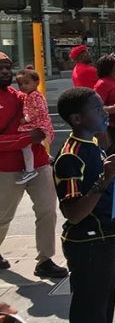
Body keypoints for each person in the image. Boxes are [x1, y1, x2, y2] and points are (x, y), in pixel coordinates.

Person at [53, 87, 115, 323]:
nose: (104, 112)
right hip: (88, 245)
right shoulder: (70, 156)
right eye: (97, 109)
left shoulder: (93, 145)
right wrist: (104, 180)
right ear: (77, 119)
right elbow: (74, 213)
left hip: (104, 241)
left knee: (101, 320)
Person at [0, 52, 68, 279]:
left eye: (7, 67)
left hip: (38, 163)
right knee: (3, 216)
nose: (5, 71)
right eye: (0, 68)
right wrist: (27, 138)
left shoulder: (22, 95)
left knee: (47, 210)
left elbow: (39, 116)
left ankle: (45, 260)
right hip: (7, 168)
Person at [15, 67, 55, 186]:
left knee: (25, 146)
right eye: (20, 84)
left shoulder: (33, 96)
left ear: (36, 82)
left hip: (37, 123)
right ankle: (46, 155)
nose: (23, 86)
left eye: (26, 83)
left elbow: (37, 110)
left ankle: (29, 170)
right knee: (36, 143)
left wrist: (26, 119)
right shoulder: (33, 94)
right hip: (41, 123)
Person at [94, 54, 115, 155]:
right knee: (108, 154)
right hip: (109, 127)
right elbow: (95, 108)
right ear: (110, 67)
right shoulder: (102, 83)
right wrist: (112, 108)